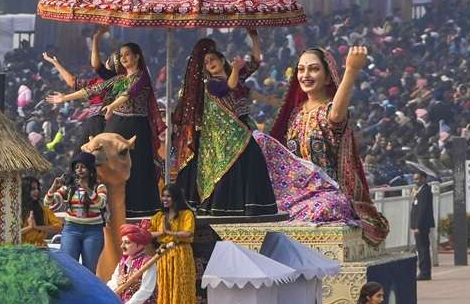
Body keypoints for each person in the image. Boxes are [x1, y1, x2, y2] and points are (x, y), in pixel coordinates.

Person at [271, 47, 389, 246]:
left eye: (313, 69)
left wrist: (351, 70)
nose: (305, 75)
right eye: (301, 70)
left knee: (325, 207)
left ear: (327, 78)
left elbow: (335, 116)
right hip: (294, 194)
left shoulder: (330, 112)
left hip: (329, 195)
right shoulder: (295, 115)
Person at [48, 41, 164, 216]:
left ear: (137, 56)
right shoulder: (118, 79)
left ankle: (137, 209)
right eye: (121, 55)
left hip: (135, 127)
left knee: (136, 167)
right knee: (108, 164)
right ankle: (105, 204)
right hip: (114, 125)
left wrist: (112, 106)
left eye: (127, 54)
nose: (123, 58)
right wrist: (64, 98)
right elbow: (93, 90)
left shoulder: (141, 77)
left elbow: (129, 93)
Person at [170, 36, 278, 216]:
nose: (209, 63)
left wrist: (254, 37)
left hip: (241, 127)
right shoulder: (212, 85)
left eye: (212, 59)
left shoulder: (237, 75)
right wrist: (235, 69)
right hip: (225, 135)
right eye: (206, 62)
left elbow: (256, 62)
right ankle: (227, 207)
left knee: (252, 162)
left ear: (222, 60)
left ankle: (253, 207)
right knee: (235, 166)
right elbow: (229, 86)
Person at [46, 152, 108, 271]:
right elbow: (48, 203)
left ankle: (87, 290)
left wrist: (87, 188)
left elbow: (101, 203)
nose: (79, 170)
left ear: (90, 169)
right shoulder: (69, 188)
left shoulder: (99, 187)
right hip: (71, 229)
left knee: (89, 270)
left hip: (93, 231)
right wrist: (53, 188)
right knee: (68, 267)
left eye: (83, 167)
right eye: (77, 167)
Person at [149, 185, 199, 304]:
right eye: (163, 196)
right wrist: (161, 232)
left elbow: (188, 233)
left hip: (181, 254)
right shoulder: (158, 216)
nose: (164, 199)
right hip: (164, 255)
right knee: (165, 287)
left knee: (181, 287)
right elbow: (147, 234)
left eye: (168, 196)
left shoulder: (186, 214)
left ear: (175, 198)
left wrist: (170, 233)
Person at [106, 223, 157, 304]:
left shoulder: (148, 263)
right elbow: (113, 283)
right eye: (122, 242)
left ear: (139, 245)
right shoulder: (122, 263)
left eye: (127, 243)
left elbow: (145, 291)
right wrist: (106, 295)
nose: (122, 246)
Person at [20, 176, 61, 248]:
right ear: (25, 190)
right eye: (33, 189)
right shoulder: (16, 209)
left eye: (37, 188)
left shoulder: (43, 209)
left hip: (41, 248)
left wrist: (38, 227)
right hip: (23, 249)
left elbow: (58, 227)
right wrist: (29, 227)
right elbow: (11, 234)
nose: (37, 191)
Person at [409, 171, 434, 280]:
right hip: (418, 225)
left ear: (424, 179)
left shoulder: (425, 191)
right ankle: (424, 271)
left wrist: (417, 226)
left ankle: (425, 272)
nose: (416, 181)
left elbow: (422, 210)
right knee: (421, 248)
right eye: (414, 179)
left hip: (422, 226)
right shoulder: (419, 191)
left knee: (423, 249)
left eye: (418, 179)